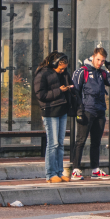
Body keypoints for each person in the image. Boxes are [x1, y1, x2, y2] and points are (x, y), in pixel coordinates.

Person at [69, 47, 110, 181]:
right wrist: (79, 110)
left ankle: (95, 170)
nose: (100, 63)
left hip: (100, 111)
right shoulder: (82, 71)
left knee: (96, 142)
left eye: (103, 61)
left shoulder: (102, 73)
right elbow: (74, 92)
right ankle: (75, 170)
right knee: (81, 141)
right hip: (86, 111)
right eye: (98, 60)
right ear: (93, 57)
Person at [34, 51, 73, 183]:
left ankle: (59, 172)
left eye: (64, 69)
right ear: (54, 64)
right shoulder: (43, 73)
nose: (62, 71)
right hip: (50, 111)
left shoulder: (64, 74)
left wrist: (70, 87)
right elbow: (40, 95)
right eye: (60, 68)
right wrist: (59, 91)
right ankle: (50, 174)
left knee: (60, 143)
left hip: (62, 110)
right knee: (53, 143)